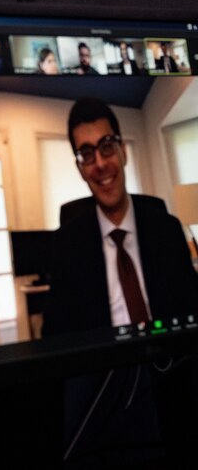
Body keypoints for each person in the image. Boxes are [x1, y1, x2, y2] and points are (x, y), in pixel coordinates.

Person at [43, 97, 198, 462]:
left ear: (122, 151)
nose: (99, 164)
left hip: (171, 380)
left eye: (106, 147)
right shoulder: (67, 245)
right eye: (86, 154)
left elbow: (192, 311)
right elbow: (55, 342)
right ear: (80, 168)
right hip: (106, 392)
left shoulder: (166, 229)